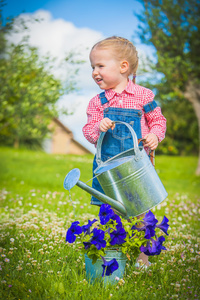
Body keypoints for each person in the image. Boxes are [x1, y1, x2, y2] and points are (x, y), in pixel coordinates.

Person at [82, 36, 166, 266]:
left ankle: (142, 259)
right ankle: (113, 258)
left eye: (100, 66)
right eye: (92, 67)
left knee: (141, 216)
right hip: (108, 170)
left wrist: (155, 135)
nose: (95, 72)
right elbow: (89, 133)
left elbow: (158, 120)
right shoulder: (97, 102)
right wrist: (98, 129)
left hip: (138, 167)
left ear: (123, 67)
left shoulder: (143, 96)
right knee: (110, 216)